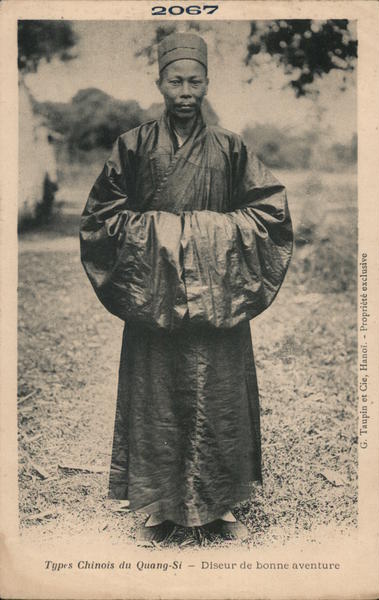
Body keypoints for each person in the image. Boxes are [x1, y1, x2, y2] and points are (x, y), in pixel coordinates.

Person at [80, 32, 293, 543]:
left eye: (195, 81)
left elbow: (270, 214)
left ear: (206, 83)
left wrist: (203, 238)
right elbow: (100, 220)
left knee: (218, 398)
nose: (185, 91)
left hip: (217, 298)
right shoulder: (132, 146)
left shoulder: (231, 147)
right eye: (175, 81)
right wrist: (165, 240)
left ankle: (221, 509)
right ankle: (157, 508)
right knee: (156, 395)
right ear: (159, 82)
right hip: (155, 298)